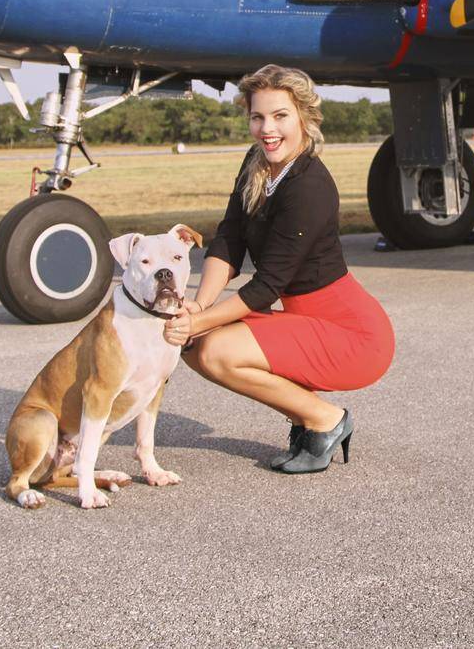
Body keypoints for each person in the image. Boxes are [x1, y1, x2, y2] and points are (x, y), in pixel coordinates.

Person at [161, 65, 395, 473]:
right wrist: (199, 308)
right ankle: (307, 420)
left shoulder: (310, 186)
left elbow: (267, 285)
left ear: (303, 117)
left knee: (214, 349)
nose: (267, 128)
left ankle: (324, 420)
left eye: (280, 116)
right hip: (304, 320)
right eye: (258, 117)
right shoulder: (257, 162)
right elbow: (229, 239)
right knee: (193, 345)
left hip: (354, 334)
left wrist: (200, 323)